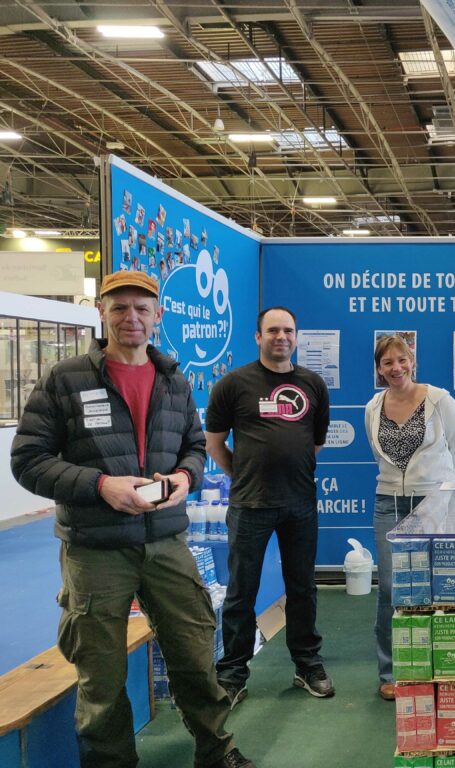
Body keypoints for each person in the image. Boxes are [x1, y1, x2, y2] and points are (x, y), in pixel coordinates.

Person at [10, 270, 253, 768]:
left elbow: (193, 448)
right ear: (101, 312)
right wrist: (101, 485)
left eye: (142, 308)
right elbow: (28, 460)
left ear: (158, 315)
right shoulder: (66, 379)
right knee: (100, 674)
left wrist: (185, 478)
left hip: (165, 542)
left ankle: (216, 750)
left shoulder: (173, 380)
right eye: (119, 307)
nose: (131, 318)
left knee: (194, 653)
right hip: (95, 548)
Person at [205, 307, 334, 708]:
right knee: (241, 591)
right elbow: (214, 443)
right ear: (258, 337)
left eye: (288, 330)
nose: (282, 336)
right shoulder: (233, 384)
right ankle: (232, 674)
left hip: (300, 504)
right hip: (250, 505)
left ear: (296, 336)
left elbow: (315, 443)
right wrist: (244, 474)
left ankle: (307, 665)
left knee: (303, 588)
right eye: (273, 330)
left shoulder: (313, 384)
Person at [365, 335, 455, 700]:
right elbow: (378, 454)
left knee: (436, 585)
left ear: (412, 362)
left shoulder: (440, 400)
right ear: (379, 369)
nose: (396, 368)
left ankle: (439, 666)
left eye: (401, 360)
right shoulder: (373, 406)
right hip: (388, 501)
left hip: (433, 502)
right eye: (387, 362)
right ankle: (390, 672)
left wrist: (438, 493)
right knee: (390, 587)